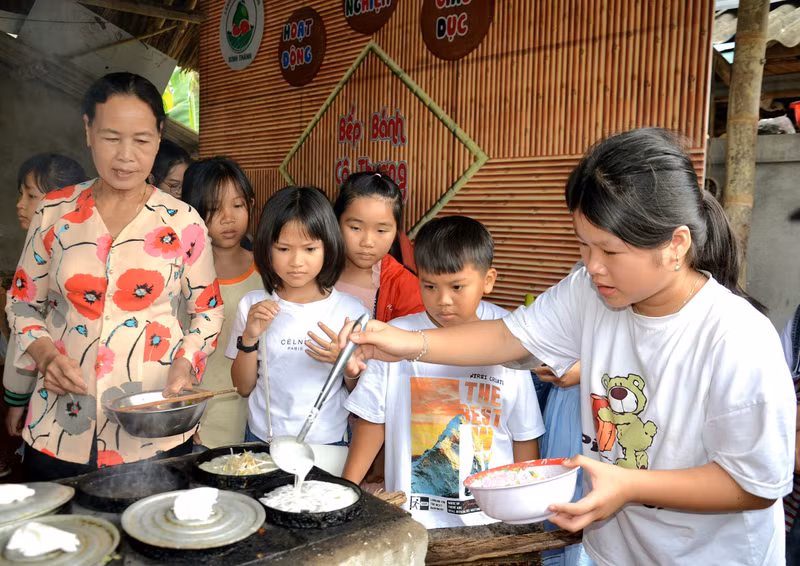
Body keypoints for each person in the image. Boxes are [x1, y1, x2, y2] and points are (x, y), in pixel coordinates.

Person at [340, 128, 796, 565]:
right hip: (618, 551)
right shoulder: (591, 290)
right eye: (583, 245)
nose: (592, 266)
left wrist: (631, 485)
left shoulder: (736, 336)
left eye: (610, 252)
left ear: (675, 245)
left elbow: (754, 484)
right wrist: (403, 341)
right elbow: (507, 338)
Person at [6, 72, 224, 481]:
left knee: (151, 535)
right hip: (60, 421)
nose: (126, 155)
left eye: (141, 140)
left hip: (151, 424)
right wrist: (45, 354)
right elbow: (20, 301)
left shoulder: (184, 222)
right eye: (111, 137)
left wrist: (187, 362)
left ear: (159, 137)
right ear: (88, 131)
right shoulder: (54, 213)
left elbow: (208, 312)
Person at [342, 215, 544, 528]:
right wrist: (346, 494)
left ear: (488, 280)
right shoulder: (396, 337)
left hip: (490, 523)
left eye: (457, 286)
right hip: (412, 520)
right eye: (430, 286)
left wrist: (524, 512)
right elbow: (373, 421)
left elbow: (524, 435)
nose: (443, 301)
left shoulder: (510, 336)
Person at [228, 186, 369, 446]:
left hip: (328, 442)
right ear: (266, 249)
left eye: (309, 249)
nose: (296, 261)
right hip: (262, 439)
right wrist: (249, 337)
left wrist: (346, 366)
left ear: (328, 247)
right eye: (283, 249)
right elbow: (243, 388)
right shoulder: (253, 305)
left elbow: (362, 393)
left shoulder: (353, 312)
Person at [3, 154, 87, 476]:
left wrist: (15, 398)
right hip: (45, 399)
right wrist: (16, 399)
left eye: (31, 195)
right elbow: (24, 333)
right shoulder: (38, 247)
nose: (19, 204)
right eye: (21, 193)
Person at [181, 157, 261, 449]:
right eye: (214, 209)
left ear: (251, 204)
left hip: (257, 423)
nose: (228, 218)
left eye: (238, 205)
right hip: (196, 421)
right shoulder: (180, 274)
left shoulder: (269, 272)